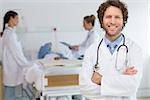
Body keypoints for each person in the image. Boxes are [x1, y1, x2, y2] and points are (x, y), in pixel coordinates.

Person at [79, 0, 143, 100]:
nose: (112, 21)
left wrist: (100, 80)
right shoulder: (91, 51)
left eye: (117, 17)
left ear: (123, 20)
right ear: (101, 20)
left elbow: (132, 86)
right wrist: (121, 78)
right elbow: (84, 87)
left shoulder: (134, 49)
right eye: (108, 17)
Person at [1, 10, 43, 100]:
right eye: (16, 18)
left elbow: (17, 51)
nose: (18, 21)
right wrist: (27, 64)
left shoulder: (8, 33)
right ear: (11, 19)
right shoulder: (10, 34)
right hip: (12, 69)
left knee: (10, 92)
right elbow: (17, 53)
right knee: (10, 93)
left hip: (12, 68)